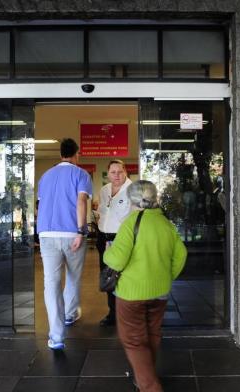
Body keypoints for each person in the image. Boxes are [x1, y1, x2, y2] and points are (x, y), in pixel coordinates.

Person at [104, 180, 187, 392]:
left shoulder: (131, 222)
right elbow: (181, 254)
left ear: (132, 200)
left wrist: (108, 250)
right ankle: (142, 377)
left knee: (133, 341)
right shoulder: (165, 223)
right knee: (152, 334)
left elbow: (117, 260)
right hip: (159, 292)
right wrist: (166, 277)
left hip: (132, 293)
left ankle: (149, 386)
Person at [37, 138, 92, 350]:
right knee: (73, 276)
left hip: (47, 234)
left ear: (60, 153)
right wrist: (80, 230)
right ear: (76, 154)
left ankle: (57, 336)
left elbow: (41, 205)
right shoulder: (81, 174)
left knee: (51, 283)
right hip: (72, 234)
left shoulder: (45, 176)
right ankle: (69, 314)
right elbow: (80, 201)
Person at [96, 159, 132, 326]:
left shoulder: (132, 190)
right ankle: (113, 313)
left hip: (122, 238)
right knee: (108, 276)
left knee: (125, 276)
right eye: (113, 172)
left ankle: (127, 313)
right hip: (103, 238)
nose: (116, 175)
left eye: (120, 172)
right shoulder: (104, 190)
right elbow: (102, 212)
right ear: (108, 173)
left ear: (125, 171)